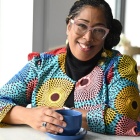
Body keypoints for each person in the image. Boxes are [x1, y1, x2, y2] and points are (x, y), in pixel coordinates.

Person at [0, 0, 140, 136]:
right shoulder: (41, 65)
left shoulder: (119, 66)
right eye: (81, 25)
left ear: (106, 35)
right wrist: (29, 116)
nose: (88, 37)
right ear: (69, 26)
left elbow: (127, 120)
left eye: (98, 30)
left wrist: (68, 113)